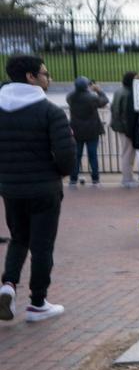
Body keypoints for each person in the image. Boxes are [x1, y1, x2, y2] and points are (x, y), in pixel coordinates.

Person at [0, 56, 75, 322]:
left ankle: (8, 284)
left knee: (19, 237)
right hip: (44, 187)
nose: (48, 78)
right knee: (42, 245)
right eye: (45, 73)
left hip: (10, 187)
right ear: (31, 77)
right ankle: (37, 302)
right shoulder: (50, 111)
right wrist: (57, 171)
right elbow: (66, 157)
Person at [66, 76, 109, 188]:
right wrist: (98, 90)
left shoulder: (70, 97)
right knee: (92, 155)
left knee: (77, 156)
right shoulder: (91, 97)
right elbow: (104, 101)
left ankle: (73, 179)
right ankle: (95, 179)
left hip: (77, 129)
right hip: (92, 129)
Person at [110, 71, 139, 187]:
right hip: (125, 127)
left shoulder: (119, 90)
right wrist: (129, 130)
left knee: (126, 152)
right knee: (128, 153)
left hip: (119, 126)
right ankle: (127, 178)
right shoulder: (128, 93)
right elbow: (125, 114)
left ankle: (127, 177)